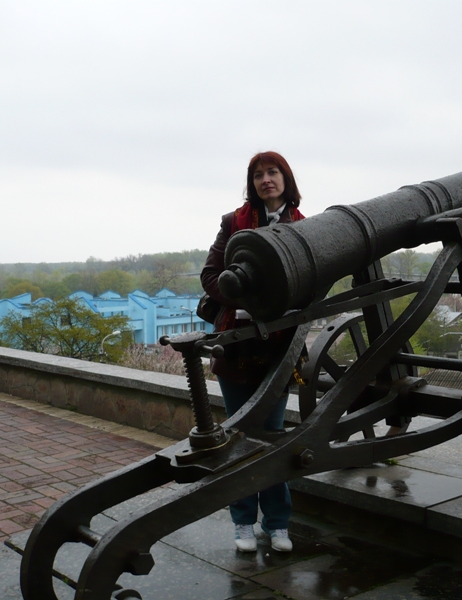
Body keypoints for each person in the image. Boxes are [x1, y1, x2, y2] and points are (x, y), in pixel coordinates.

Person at [201, 151, 305, 553]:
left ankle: (277, 523)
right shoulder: (234, 223)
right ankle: (243, 522)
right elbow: (210, 275)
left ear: (285, 178)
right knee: (238, 437)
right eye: (258, 174)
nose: (266, 180)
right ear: (252, 183)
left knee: (271, 438)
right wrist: (242, 295)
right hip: (237, 344)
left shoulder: (302, 226)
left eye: (272, 172)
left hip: (277, 347)